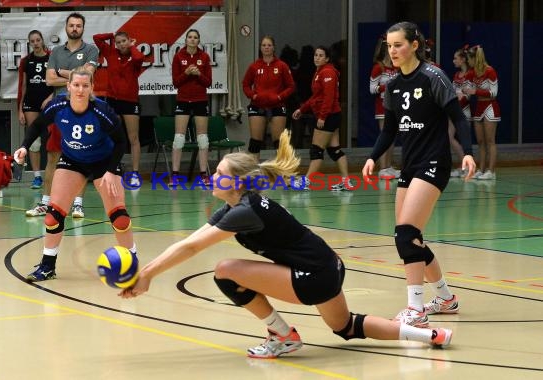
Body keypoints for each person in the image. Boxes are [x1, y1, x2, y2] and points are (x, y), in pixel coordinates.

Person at [119, 129, 453, 358]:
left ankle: (281, 336)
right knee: (346, 327)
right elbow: (189, 241)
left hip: (315, 274)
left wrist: (146, 274)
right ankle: (430, 336)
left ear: (236, 181)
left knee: (224, 272)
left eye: (218, 172)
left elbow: (191, 248)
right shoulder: (236, 206)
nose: (211, 177)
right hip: (329, 267)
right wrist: (147, 271)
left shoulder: (244, 211)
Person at [362, 21, 476, 327]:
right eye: (389, 45)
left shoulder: (433, 76)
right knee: (410, 237)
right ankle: (445, 298)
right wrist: (372, 158)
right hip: (409, 165)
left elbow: (459, 119)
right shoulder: (393, 86)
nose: (393, 51)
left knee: (406, 234)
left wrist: (466, 152)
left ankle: (415, 309)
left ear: (415, 45)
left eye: (398, 45)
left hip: (433, 162)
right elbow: (388, 131)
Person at [14, 67, 137, 282]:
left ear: (91, 88)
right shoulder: (58, 105)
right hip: (73, 160)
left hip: (104, 161)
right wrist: (24, 146)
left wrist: (110, 171)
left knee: (120, 219)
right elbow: (37, 126)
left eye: (85, 85)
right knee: (53, 216)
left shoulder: (102, 111)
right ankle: (47, 266)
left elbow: (121, 142)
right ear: (68, 87)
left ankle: (131, 266)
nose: (80, 90)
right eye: (76, 85)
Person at [26, 12, 99, 218]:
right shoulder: (57, 51)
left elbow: (87, 76)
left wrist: (63, 72)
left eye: (78, 25)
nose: (75, 28)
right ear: (66, 28)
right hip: (59, 110)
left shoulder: (91, 50)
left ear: (83, 28)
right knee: (52, 156)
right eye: (71, 25)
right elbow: (49, 80)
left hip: (84, 110)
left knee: (81, 156)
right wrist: (75, 75)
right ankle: (46, 203)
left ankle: (77, 204)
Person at [292, 46, 351, 191]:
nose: (317, 58)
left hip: (329, 116)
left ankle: (306, 182)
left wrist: (323, 117)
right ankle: (346, 182)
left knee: (317, 150)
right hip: (331, 115)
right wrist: (302, 109)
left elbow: (329, 98)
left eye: (320, 55)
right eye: (315, 55)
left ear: (327, 59)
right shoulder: (319, 72)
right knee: (335, 150)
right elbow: (316, 97)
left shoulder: (328, 72)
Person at [93, 31, 146, 186]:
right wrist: (111, 35)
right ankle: (110, 170)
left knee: (133, 138)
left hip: (130, 101)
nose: (121, 44)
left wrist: (132, 46)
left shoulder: (135, 56)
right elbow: (97, 38)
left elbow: (139, 58)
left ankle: (135, 174)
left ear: (129, 41)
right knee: (110, 136)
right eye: (118, 42)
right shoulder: (110, 52)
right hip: (112, 101)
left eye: (124, 41)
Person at [170, 29, 212, 186]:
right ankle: (175, 175)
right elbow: (176, 82)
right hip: (183, 100)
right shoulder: (178, 56)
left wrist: (198, 74)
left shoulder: (205, 57)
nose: (192, 40)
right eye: (190, 37)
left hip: (200, 100)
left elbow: (208, 82)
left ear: (198, 40)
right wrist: (187, 72)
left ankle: (203, 175)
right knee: (179, 138)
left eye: (195, 37)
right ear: (186, 40)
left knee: (203, 139)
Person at [242, 35, 295, 160]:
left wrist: (279, 97)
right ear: (260, 48)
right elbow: (245, 85)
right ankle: (255, 174)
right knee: (255, 143)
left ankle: (281, 175)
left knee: (279, 143)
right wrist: (253, 95)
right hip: (257, 106)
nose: (266, 47)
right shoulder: (254, 66)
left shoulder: (282, 65)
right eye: (264, 45)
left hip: (277, 106)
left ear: (274, 48)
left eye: (269, 45)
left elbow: (291, 86)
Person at [17, 30, 54, 190]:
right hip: (30, 103)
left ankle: (55, 176)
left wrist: (50, 98)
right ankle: (37, 177)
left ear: (42, 41)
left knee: (54, 138)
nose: (36, 43)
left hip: (49, 102)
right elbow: (23, 86)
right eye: (33, 41)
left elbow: (60, 82)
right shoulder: (26, 61)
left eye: (38, 40)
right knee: (34, 142)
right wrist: (20, 109)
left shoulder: (52, 57)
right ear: (29, 43)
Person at [462, 45, 500, 180]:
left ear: (474, 58)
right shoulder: (472, 73)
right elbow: (467, 89)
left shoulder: (490, 71)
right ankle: (481, 169)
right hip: (478, 107)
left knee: (490, 140)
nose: (467, 62)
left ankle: (491, 171)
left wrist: (475, 91)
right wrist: (463, 92)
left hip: (490, 107)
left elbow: (494, 93)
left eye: (468, 59)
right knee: (480, 141)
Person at [369, 35, 400, 179]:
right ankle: (382, 168)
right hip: (382, 106)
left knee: (392, 137)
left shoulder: (396, 67)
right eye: (390, 47)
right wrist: (386, 86)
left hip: (395, 106)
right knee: (384, 136)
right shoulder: (378, 67)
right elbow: (372, 88)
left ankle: (388, 166)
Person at [449, 47, 473, 178]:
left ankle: (467, 166)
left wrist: (460, 96)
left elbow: (467, 96)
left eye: (455, 58)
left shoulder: (470, 75)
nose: (453, 61)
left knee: (464, 139)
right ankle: (463, 164)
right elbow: (453, 93)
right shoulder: (456, 75)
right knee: (449, 136)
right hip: (454, 110)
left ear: (463, 59)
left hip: (464, 111)